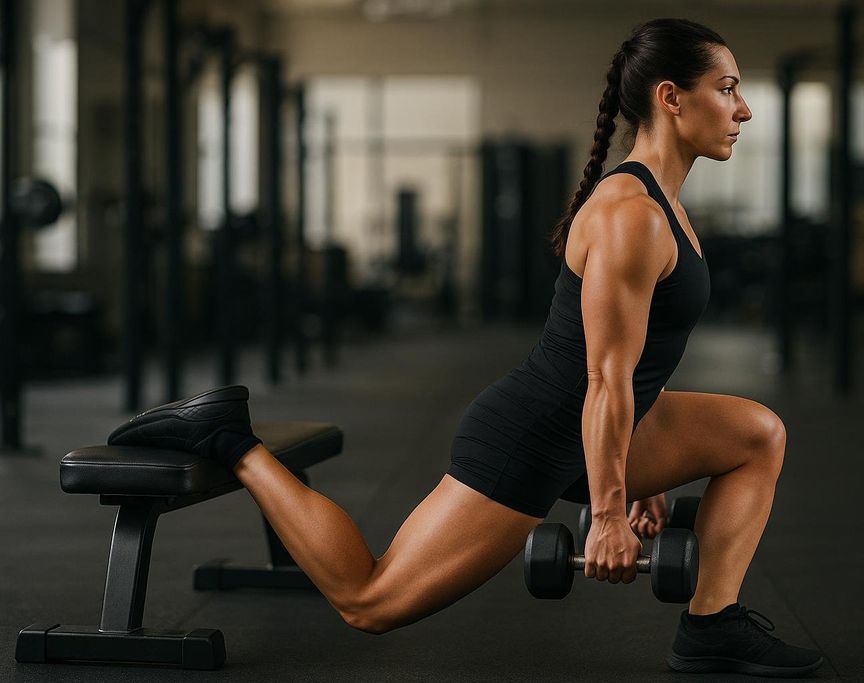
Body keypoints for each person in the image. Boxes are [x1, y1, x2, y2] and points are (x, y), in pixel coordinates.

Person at [109, 18, 823, 678]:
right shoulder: (630, 216)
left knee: (757, 434)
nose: (744, 109)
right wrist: (606, 511)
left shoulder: (665, 205)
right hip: (536, 433)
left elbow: (635, 363)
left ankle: (711, 624)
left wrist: (648, 475)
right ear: (671, 97)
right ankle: (232, 437)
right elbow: (604, 378)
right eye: (726, 88)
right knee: (370, 599)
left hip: (603, 425)